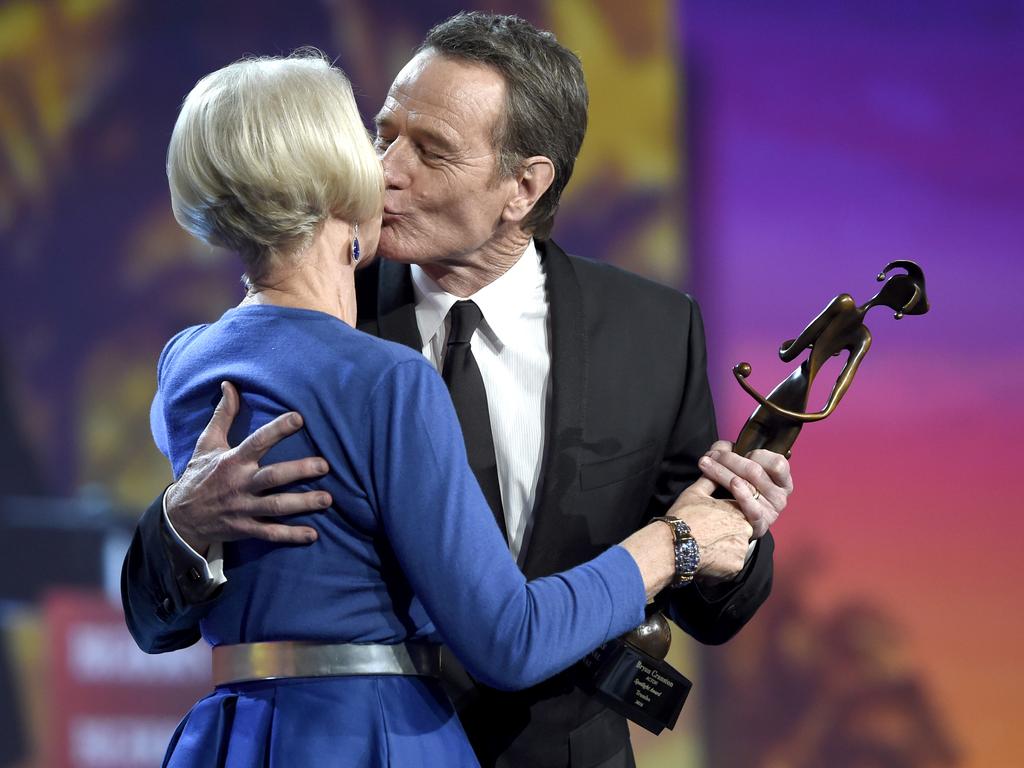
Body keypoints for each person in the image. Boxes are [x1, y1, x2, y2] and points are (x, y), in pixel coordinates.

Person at [122, 13, 794, 768]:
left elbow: (707, 569)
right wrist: (180, 523)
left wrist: (738, 532)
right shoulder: (325, 324)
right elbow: (159, 617)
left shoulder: (651, 333)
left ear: (523, 185)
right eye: (383, 134)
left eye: (430, 151)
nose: (385, 169)